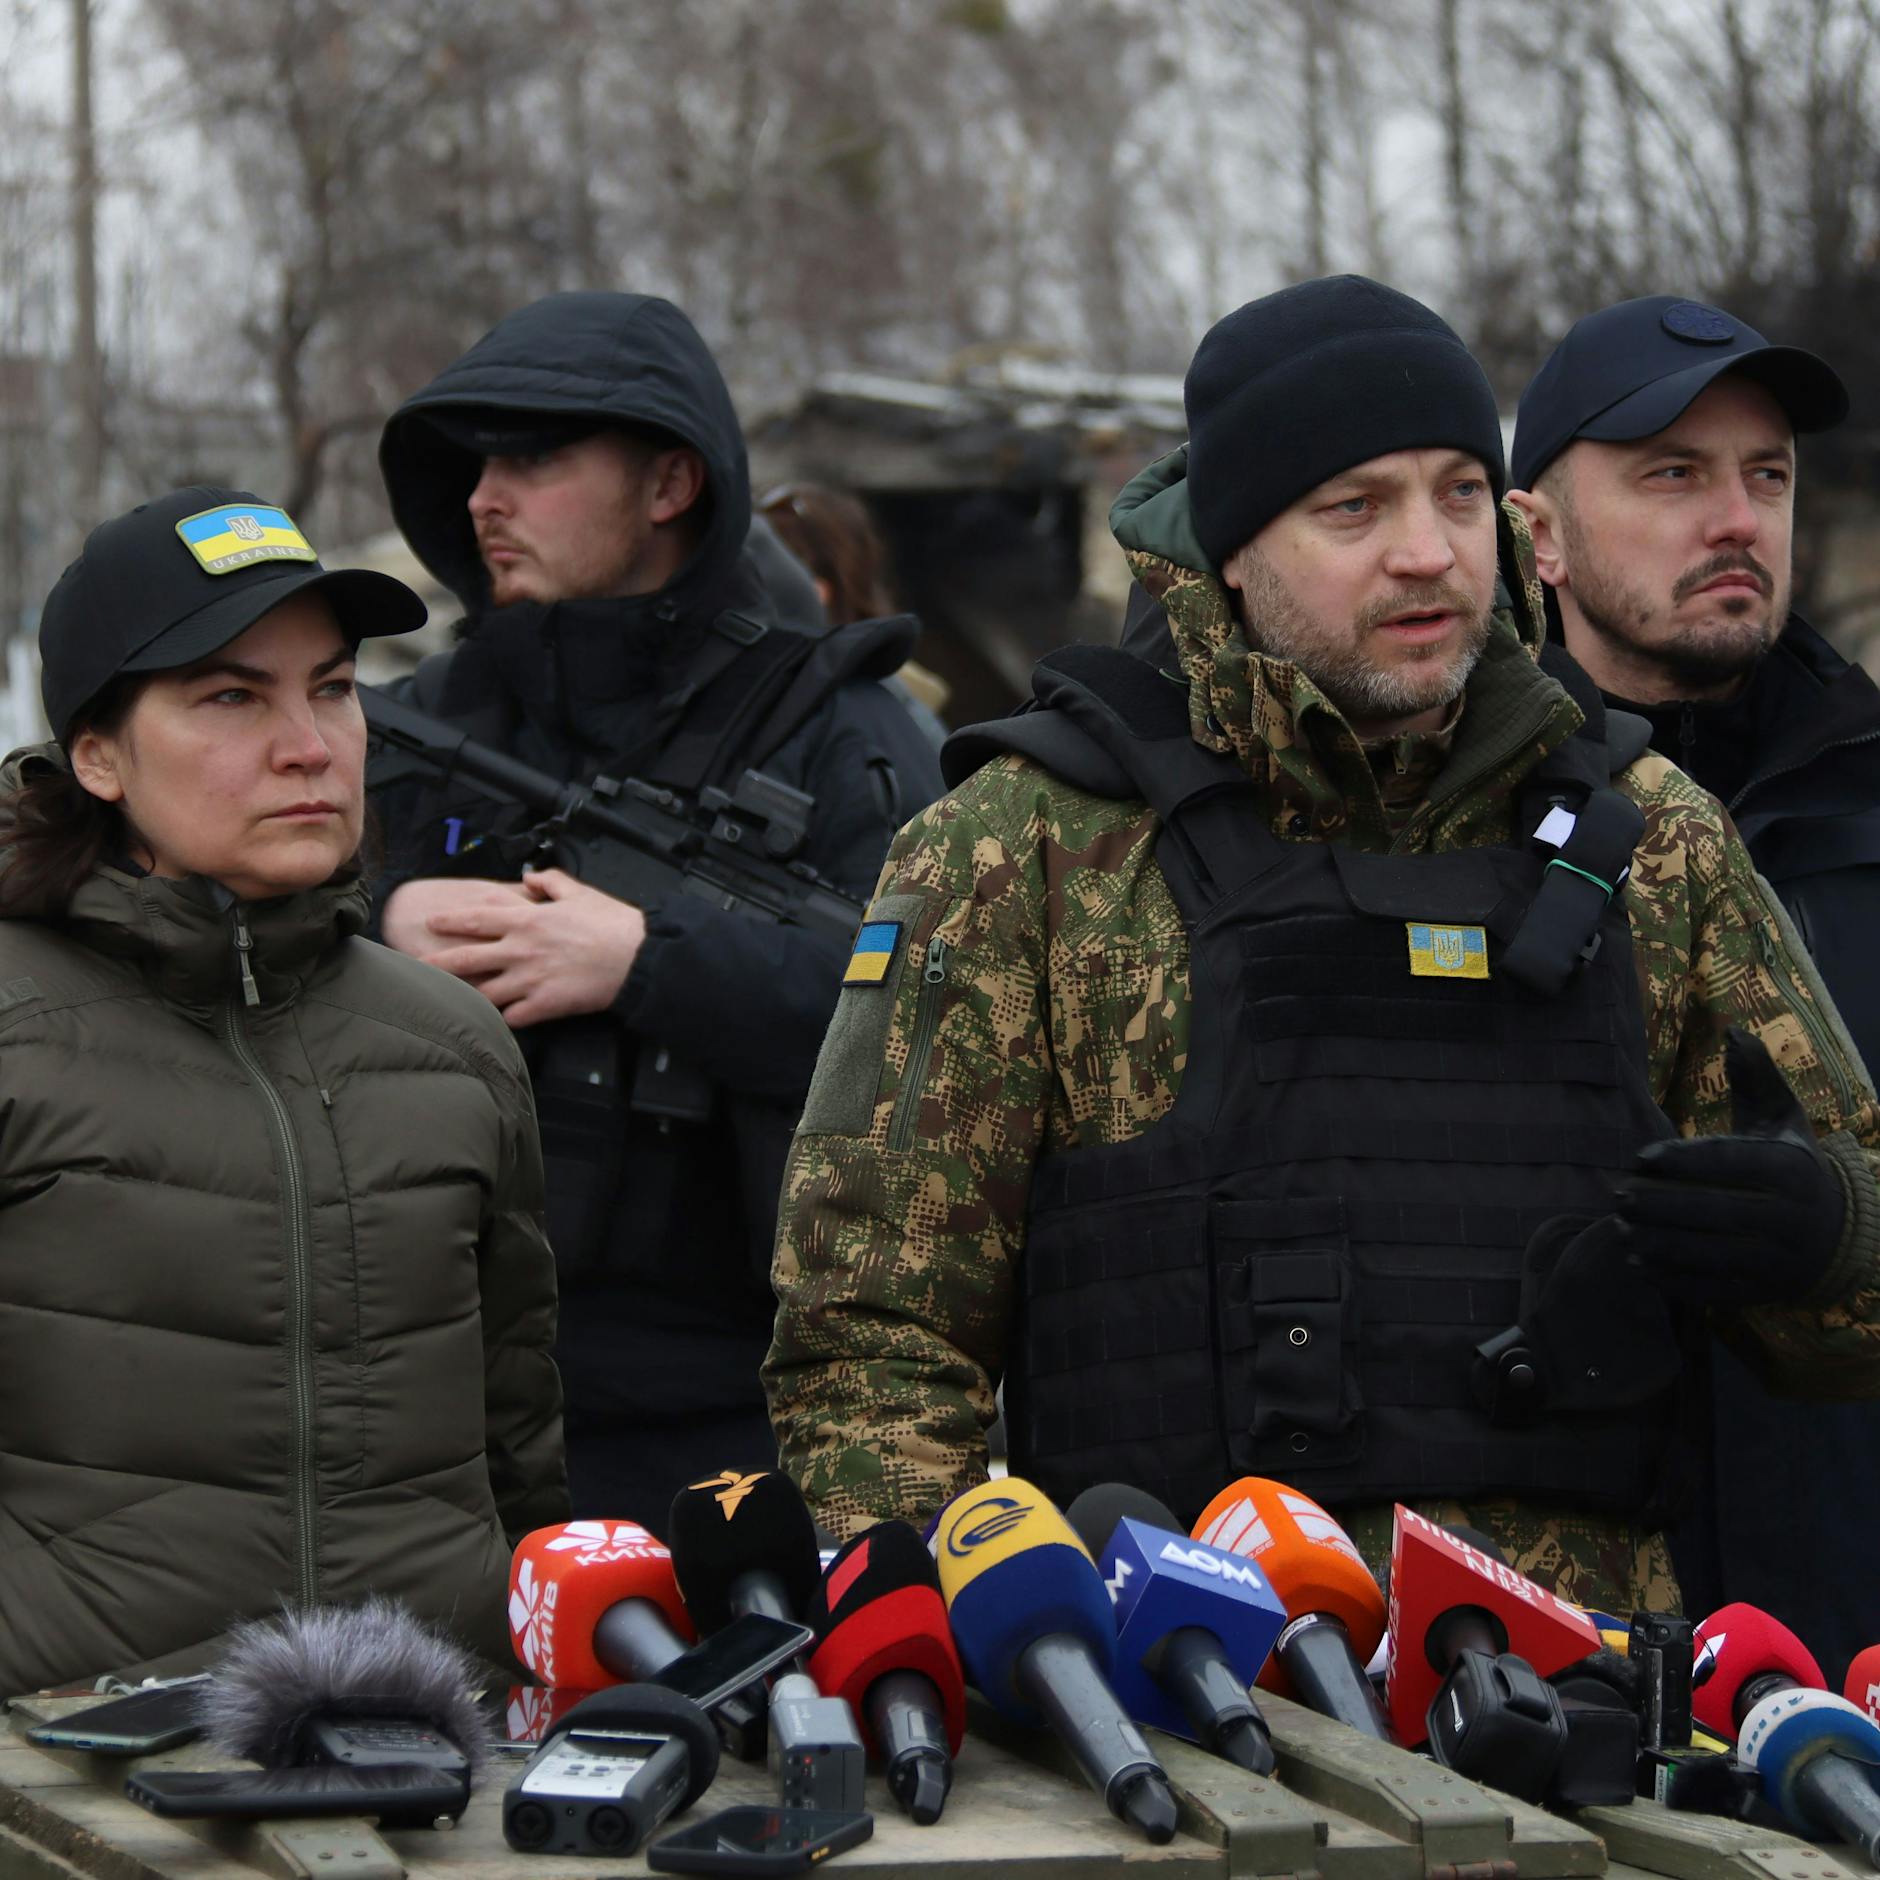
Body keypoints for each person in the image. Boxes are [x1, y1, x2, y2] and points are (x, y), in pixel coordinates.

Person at [764, 275, 1880, 1617]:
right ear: (1233, 547)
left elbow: (1846, 1330)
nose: (1427, 551)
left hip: (1586, 1731)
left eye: (1459, 493)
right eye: (1355, 507)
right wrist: (976, 1653)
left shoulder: (1657, 842)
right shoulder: (1024, 852)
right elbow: (875, 1338)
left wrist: (1827, 1231)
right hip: (1185, 1722)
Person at [371, 292, 945, 1523]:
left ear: (669, 483)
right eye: (474, 465)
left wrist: (643, 959)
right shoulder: (426, 717)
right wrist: (379, 925)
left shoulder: (842, 727)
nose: (483, 500)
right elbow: (232, 960)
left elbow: (946, 1017)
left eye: (531, 459)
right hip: (440, 1407)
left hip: (753, 1414)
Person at [0, 488, 566, 1696]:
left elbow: (522, 1458)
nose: (309, 743)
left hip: (434, 1764)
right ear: (96, 752)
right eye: (230, 695)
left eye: (331, 684)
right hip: (71, 1778)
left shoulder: (454, 1044)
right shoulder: (16, 1034)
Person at [1508, 297, 1880, 1678]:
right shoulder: (1437, 827)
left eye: (1766, 475)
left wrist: (1840, 1226)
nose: (1738, 518)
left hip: (1850, 1644)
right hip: (1560, 1661)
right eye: (1672, 472)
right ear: (1536, 531)